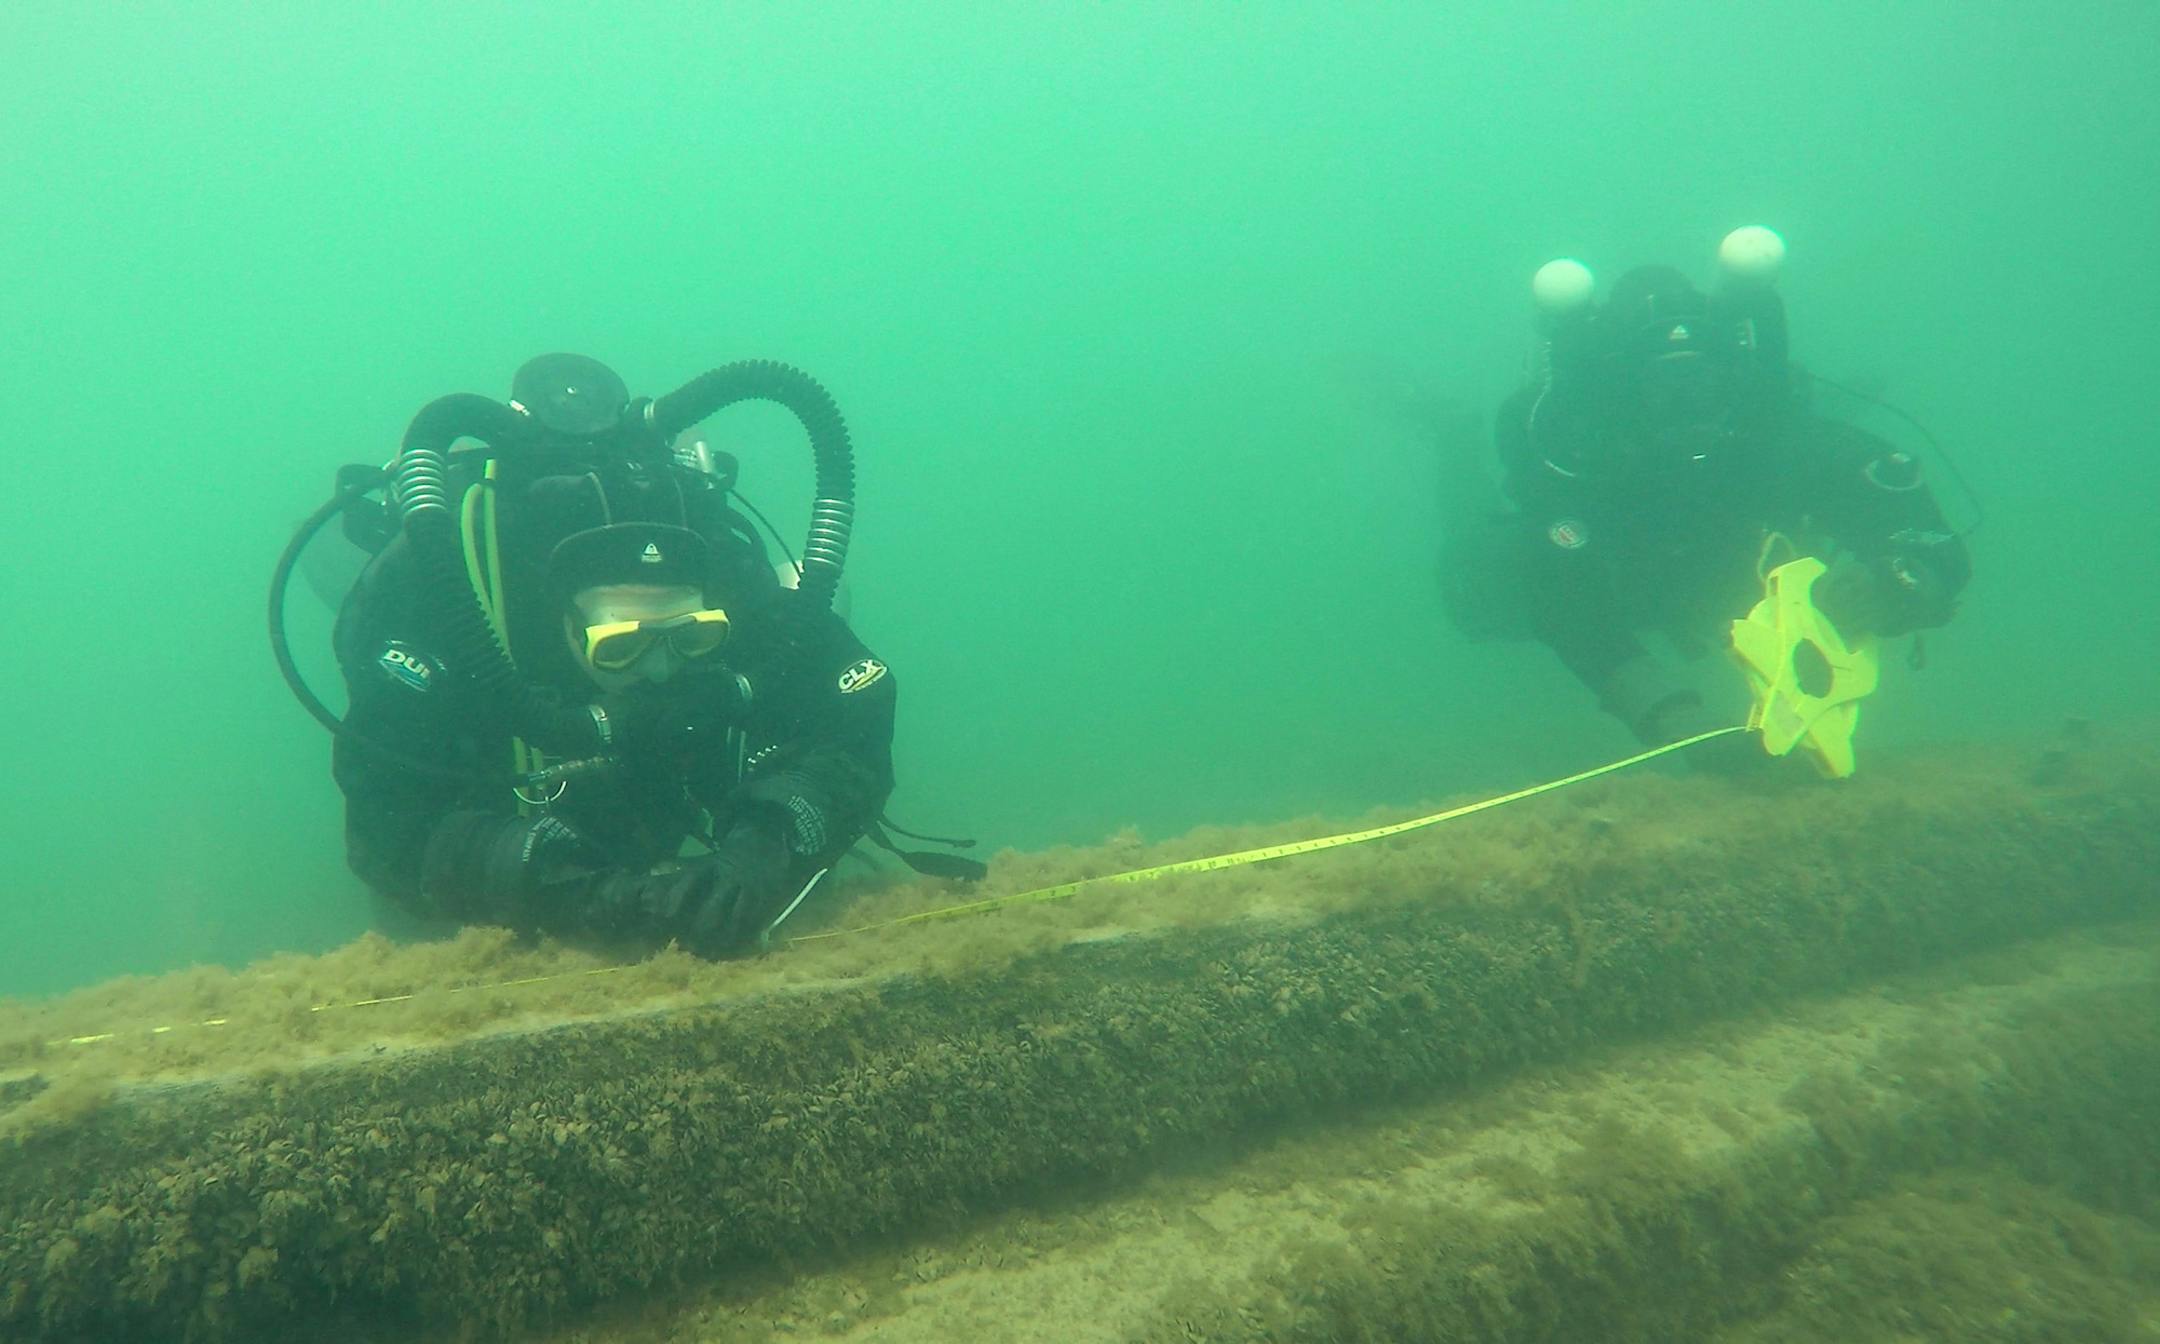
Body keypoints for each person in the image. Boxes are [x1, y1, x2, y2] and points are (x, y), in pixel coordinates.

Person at [327, 354, 898, 956]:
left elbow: (856, 706)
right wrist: (574, 895)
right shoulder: (443, 608)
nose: (658, 671)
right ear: (562, 626)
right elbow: (390, 833)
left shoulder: (730, 577)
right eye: (621, 646)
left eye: (690, 636)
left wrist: (773, 840)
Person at [1440, 227, 1971, 756]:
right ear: (1624, 391)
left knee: (1808, 460)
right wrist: (1667, 716)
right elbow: (1561, 598)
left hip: (1738, 576)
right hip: (1622, 589)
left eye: (1700, 384)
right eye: (1665, 388)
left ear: (1733, 377)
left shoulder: (1770, 433)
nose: (1687, 406)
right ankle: (1449, 441)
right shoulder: (1580, 460)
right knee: (1477, 596)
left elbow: (1896, 502)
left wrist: (1905, 578)